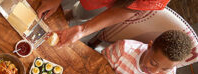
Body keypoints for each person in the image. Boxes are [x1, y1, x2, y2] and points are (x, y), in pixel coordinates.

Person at [37, 0, 170, 47]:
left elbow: (127, 9)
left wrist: (83, 29)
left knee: (81, 13)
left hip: (105, 3)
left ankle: (70, 14)